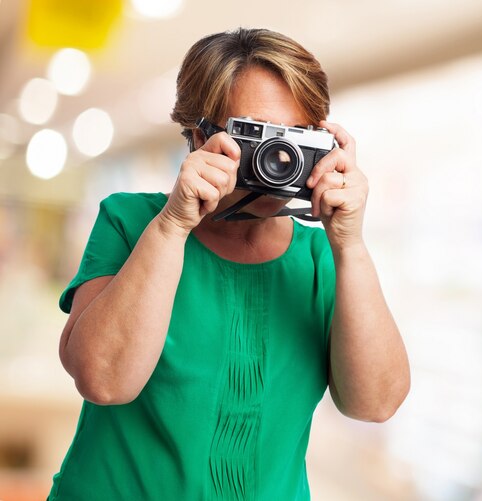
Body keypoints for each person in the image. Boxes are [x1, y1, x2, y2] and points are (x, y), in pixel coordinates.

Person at [48, 28, 410, 500]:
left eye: (297, 137)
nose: (280, 158)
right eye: (259, 135)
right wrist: (173, 225)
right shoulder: (133, 221)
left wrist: (350, 244)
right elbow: (103, 381)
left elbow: (376, 404)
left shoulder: (322, 258)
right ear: (202, 136)